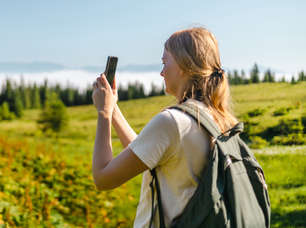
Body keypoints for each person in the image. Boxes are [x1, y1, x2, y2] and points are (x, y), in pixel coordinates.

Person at [91, 27, 238, 227]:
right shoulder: (218, 119)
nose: (161, 72)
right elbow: (146, 150)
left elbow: (103, 178)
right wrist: (113, 108)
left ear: (184, 66)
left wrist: (104, 113)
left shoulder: (171, 122)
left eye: (164, 62)